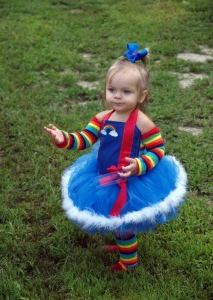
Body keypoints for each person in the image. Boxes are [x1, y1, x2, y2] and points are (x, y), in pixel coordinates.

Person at [44, 43, 187, 272]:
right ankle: (122, 242)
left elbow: (158, 149)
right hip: (103, 174)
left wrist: (140, 164)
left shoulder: (142, 122)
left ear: (142, 96)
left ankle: (129, 262)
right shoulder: (102, 117)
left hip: (128, 178)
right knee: (114, 215)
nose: (117, 96)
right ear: (106, 89)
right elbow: (85, 139)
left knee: (124, 220)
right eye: (112, 90)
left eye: (126, 92)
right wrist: (64, 138)